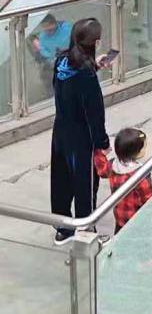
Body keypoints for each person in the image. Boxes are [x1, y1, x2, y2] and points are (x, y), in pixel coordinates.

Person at [50, 18, 110, 243]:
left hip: (60, 132)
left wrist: (94, 63)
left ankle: (63, 229)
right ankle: (85, 232)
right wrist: (102, 142)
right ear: (95, 42)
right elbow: (95, 114)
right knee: (85, 185)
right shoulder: (87, 77)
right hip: (81, 138)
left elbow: (67, 87)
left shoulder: (60, 62)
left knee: (61, 180)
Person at [94, 127, 152, 233]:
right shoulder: (140, 175)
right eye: (143, 147)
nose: (145, 149)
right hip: (137, 220)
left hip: (120, 217)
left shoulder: (112, 166)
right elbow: (149, 198)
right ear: (136, 152)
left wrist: (99, 153)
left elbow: (101, 170)